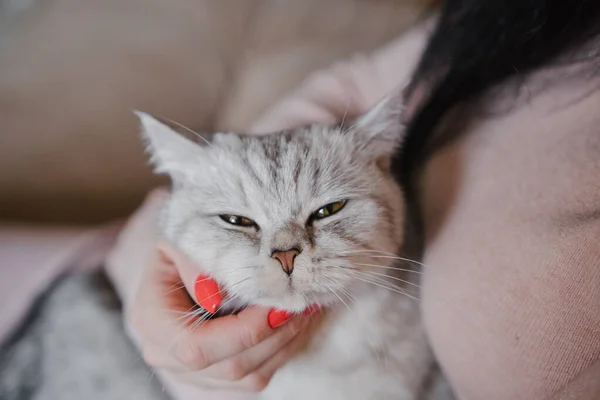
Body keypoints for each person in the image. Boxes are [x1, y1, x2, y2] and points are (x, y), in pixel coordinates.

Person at [106, 4, 600, 399]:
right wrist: (147, 283)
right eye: (240, 220)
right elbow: (359, 86)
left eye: (325, 212)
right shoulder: (534, 19)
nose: (286, 252)